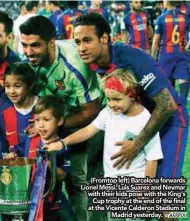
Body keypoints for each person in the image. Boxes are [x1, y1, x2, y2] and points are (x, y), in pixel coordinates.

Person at [73, 13, 188, 178]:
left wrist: (137, 144)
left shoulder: (131, 59)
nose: (81, 48)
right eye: (77, 42)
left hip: (170, 120)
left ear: (104, 38)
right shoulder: (93, 60)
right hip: (141, 120)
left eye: (87, 40)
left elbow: (167, 104)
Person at [44, 69, 163, 221]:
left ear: (132, 94)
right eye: (108, 99)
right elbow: (88, 130)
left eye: (117, 99)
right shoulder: (108, 112)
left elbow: (153, 158)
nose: (112, 104)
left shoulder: (145, 120)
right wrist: (63, 142)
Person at [20, 15, 104, 221]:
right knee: (59, 178)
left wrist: (56, 125)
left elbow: (91, 110)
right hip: (61, 121)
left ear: (51, 42)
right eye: (24, 45)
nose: (29, 52)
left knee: (83, 181)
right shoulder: (31, 63)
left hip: (91, 122)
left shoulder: (74, 64)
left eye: (35, 46)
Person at [5, 95, 77, 221]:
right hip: (29, 200)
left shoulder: (61, 146)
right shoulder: (30, 140)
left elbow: (63, 176)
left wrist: (48, 163)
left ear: (59, 121)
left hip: (55, 201)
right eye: (37, 120)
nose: (41, 125)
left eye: (46, 120)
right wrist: (12, 155)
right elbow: (16, 152)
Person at [151, 0, 190, 106]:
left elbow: (155, 41)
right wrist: (188, 46)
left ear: (167, 3)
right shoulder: (185, 17)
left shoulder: (161, 18)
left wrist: (152, 57)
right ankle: (181, 107)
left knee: (167, 84)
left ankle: (171, 109)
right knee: (184, 82)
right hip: (181, 53)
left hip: (166, 55)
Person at [0, 62, 39, 156]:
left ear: (30, 85)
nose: (11, 92)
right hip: (17, 167)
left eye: (17, 86)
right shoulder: (4, 113)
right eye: (7, 86)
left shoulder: (44, 108)